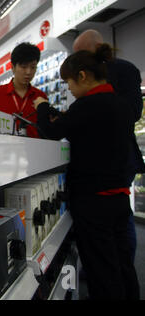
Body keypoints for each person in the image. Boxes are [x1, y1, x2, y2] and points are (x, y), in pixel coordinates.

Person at [33, 45, 140, 300]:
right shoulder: (122, 105)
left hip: (93, 203)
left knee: (102, 271)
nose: (68, 88)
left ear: (82, 76)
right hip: (119, 200)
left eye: (68, 81)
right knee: (123, 265)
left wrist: (41, 107)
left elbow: (51, 131)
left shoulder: (87, 106)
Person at [73, 29, 145, 264]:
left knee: (119, 220)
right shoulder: (92, 74)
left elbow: (133, 113)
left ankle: (121, 267)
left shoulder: (122, 70)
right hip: (104, 159)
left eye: (80, 53)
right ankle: (116, 268)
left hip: (117, 159)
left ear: (94, 48)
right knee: (115, 218)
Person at [0, 42, 47, 138]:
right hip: (1, 150)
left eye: (33, 67)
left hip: (34, 150)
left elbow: (45, 131)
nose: (28, 72)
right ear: (12, 67)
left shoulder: (40, 97)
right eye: (23, 67)